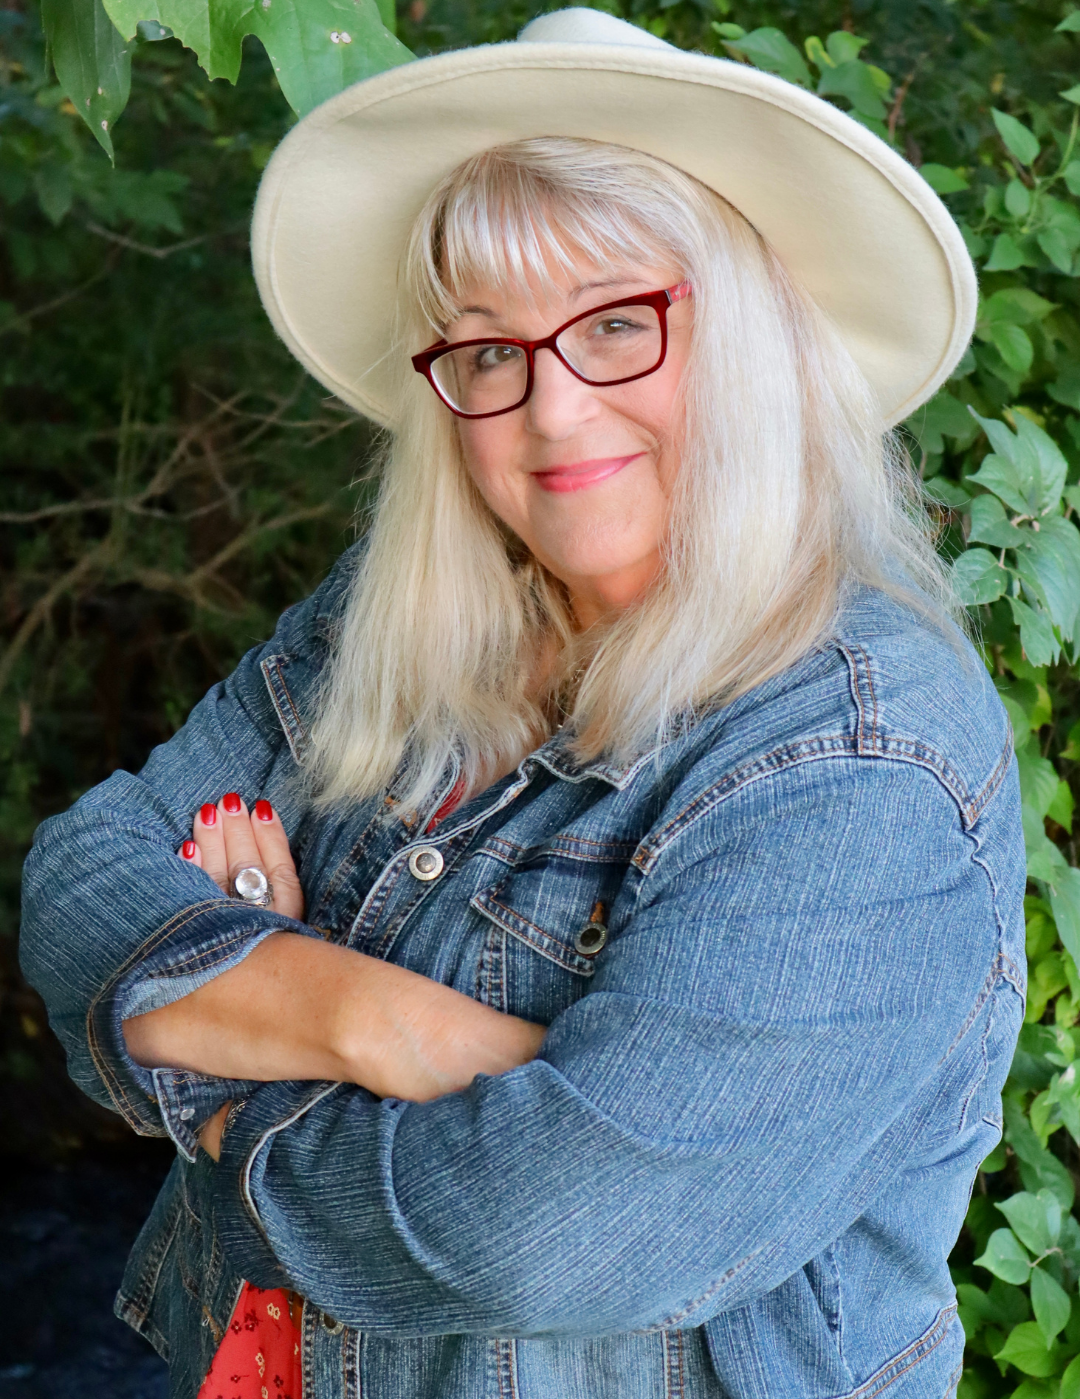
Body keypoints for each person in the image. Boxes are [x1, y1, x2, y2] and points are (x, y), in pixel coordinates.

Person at [21, 10, 1024, 1399]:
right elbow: (77, 885)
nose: (549, 410)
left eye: (617, 324)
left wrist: (219, 1046)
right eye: (487, 351)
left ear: (749, 335)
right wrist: (397, 1029)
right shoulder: (401, 622)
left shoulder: (861, 756)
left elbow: (533, 1233)